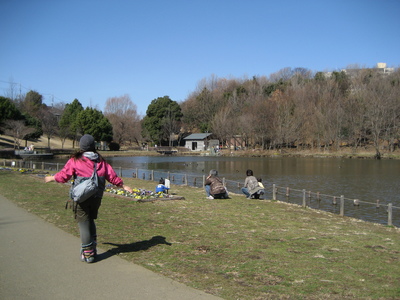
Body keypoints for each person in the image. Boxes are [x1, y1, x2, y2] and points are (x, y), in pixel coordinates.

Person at [44, 134, 132, 263]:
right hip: (97, 197)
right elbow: (112, 176)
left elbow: (64, 176)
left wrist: (51, 178)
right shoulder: (101, 161)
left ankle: (88, 254)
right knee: (90, 219)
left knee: (83, 223)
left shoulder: (76, 160)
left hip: (82, 197)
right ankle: (93, 247)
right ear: (93, 146)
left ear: (81, 147)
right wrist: (123, 185)